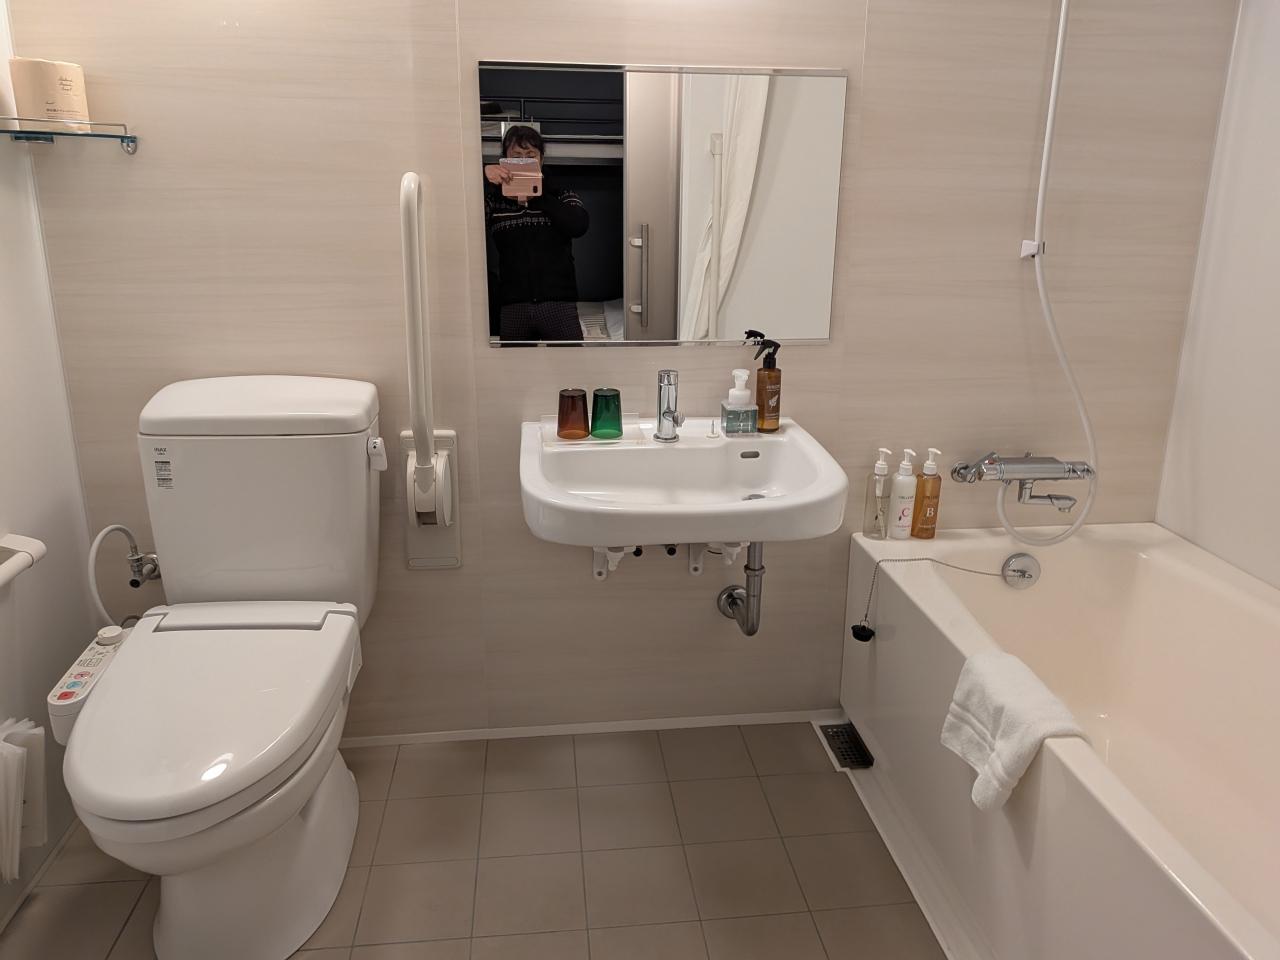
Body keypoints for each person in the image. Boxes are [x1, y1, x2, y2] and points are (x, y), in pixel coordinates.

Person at [484, 125, 590, 341]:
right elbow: (462, 225)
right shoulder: (494, 200)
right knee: (514, 364)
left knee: (571, 361)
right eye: (516, 157)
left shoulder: (560, 193)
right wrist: (481, 175)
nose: (523, 162)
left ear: (541, 160)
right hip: (513, 305)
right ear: (504, 160)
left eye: (530, 156)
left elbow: (579, 225)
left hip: (558, 303)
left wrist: (537, 195)